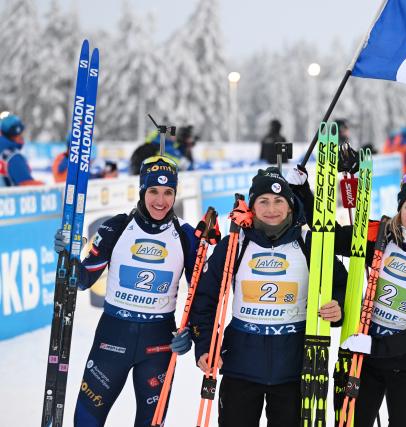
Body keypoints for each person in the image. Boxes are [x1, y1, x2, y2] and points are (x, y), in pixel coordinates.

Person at [290, 167, 406, 427]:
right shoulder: (383, 235)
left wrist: (379, 347)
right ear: (399, 208)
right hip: (365, 362)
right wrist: (303, 192)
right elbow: (332, 237)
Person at [189, 167, 347, 427]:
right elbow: (205, 299)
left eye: (278, 201)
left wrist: (337, 307)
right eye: (263, 201)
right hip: (240, 367)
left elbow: (341, 284)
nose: (271, 208)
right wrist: (205, 345)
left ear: (290, 206)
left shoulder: (310, 243)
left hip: (295, 370)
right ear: (252, 206)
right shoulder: (235, 244)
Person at [53, 156, 198, 426]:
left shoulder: (186, 236)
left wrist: (192, 334)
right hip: (113, 337)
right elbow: (83, 280)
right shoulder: (116, 227)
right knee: (86, 420)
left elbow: (199, 296)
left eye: (168, 192)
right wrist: (67, 255)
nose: (161, 200)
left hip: (159, 342)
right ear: (142, 191)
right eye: (153, 191)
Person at [0, 114, 44, 186]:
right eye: (19, 134)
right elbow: (27, 185)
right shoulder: (13, 157)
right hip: (10, 196)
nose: (21, 137)